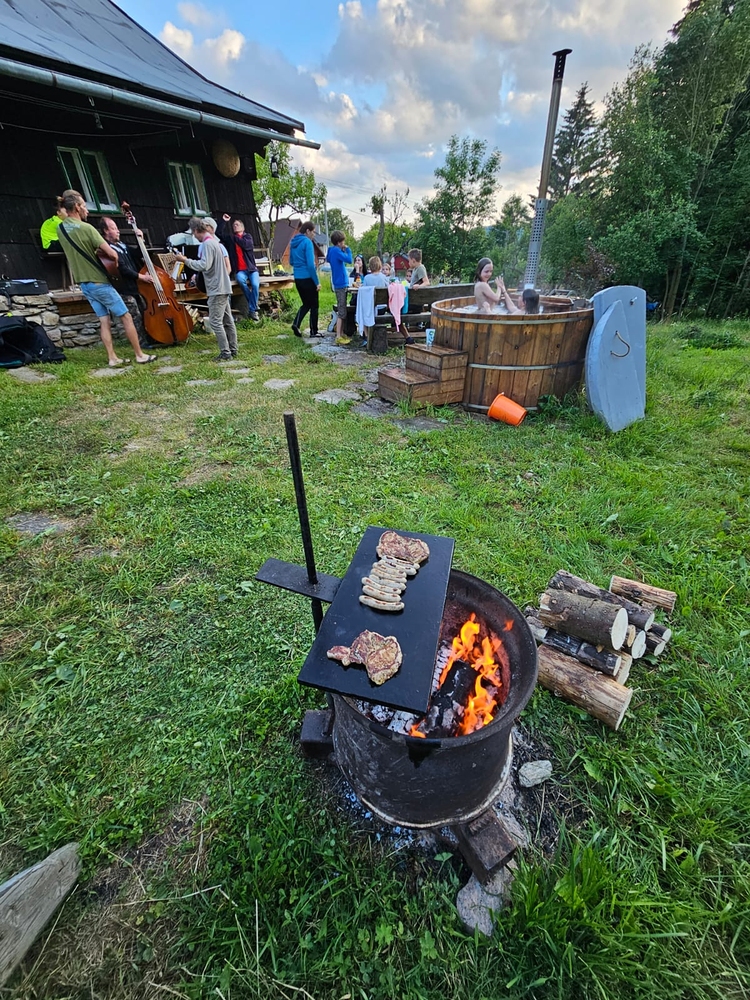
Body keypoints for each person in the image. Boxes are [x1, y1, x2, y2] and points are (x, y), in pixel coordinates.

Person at [57, 190, 156, 367]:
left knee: (104, 320)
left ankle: (112, 358)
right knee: (126, 316)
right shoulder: (87, 228)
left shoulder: (61, 228)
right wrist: (112, 260)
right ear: (77, 207)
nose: (87, 210)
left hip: (84, 283)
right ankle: (140, 355)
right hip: (99, 282)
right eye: (84, 206)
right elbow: (112, 254)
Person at [173, 220, 238, 361]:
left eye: (193, 233)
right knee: (227, 320)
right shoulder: (214, 242)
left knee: (215, 322)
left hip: (216, 288)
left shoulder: (208, 244)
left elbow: (204, 265)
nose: (194, 236)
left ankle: (226, 353)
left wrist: (185, 260)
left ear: (197, 230)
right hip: (223, 286)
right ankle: (233, 349)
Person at [100, 216, 156, 348]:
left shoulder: (122, 245)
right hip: (125, 288)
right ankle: (141, 343)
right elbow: (122, 268)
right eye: (114, 228)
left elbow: (137, 254)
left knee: (145, 311)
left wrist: (140, 240)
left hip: (137, 286)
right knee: (135, 316)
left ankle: (152, 336)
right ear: (106, 231)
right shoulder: (108, 249)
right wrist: (141, 277)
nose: (118, 231)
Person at [218, 214, 260, 321]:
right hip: (240, 270)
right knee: (241, 281)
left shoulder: (247, 237)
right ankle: (253, 306)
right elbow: (219, 233)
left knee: (255, 285)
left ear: (242, 227)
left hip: (252, 269)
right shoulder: (231, 239)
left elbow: (246, 245)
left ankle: (252, 308)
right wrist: (223, 221)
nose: (235, 226)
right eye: (233, 225)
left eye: (237, 225)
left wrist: (236, 237)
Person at [289, 221, 320, 338]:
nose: (314, 235)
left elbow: (291, 261)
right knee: (314, 305)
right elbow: (311, 266)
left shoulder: (293, 242)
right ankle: (314, 331)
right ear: (307, 231)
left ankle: (296, 324)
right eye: (313, 232)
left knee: (306, 304)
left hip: (298, 278)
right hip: (308, 278)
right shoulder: (307, 242)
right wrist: (317, 282)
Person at [326, 229, 353, 344]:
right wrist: (347, 250)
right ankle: (338, 336)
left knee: (343, 308)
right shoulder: (337, 251)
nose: (344, 243)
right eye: (343, 242)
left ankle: (341, 333)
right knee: (342, 311)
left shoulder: (332, 251)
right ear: (339, 242)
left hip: (337, 283)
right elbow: (349, 260)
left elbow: (328, 259)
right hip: (341, 283)